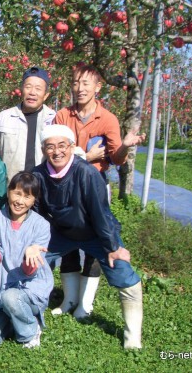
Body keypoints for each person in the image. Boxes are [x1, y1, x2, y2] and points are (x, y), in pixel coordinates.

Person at [32, 124, 143, 349]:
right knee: (33, 265)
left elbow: (100, 213)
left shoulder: (87, 173)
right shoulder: (37, 175)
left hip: (95, 232)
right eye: (50, 147)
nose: (57, 152)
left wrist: (112, 246)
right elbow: (37, 212)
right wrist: (34, 244)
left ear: (72, 147)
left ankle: (133, 338)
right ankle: (29, 321)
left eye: (62, 145)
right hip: (60, 233)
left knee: (124, 274)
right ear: (43, 149)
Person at [53, 65, 146, 319]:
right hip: (65, 185)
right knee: (67, 239)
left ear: (97, 87)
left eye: (85, 83)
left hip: (95, 185)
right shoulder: (62, 116)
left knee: (96, 243)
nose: (80, 88)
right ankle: (69, 299)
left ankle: (85, 303)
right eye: (75, 83)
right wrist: (87, 155)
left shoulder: (107, 119)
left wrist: (125, 146)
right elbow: (55, 151)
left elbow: (116, 158)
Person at [0, 172, 53, 349]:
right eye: (17, 193)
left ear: (34, 200)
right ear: (8, 192)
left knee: (11, 298)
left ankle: (30, 331)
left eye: (27, 196)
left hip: (27, 289)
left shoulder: (42, 225)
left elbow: (29, 272)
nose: (20, 201)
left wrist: (28, 257)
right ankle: (12, 320)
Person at [0, 67, 56, 182]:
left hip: (42, 190)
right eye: (28, 87)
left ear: (46, 95)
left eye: (38, 88)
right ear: (21, 89)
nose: (32, 92)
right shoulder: (4, 118)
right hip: (10, 190)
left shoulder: (53, 119)